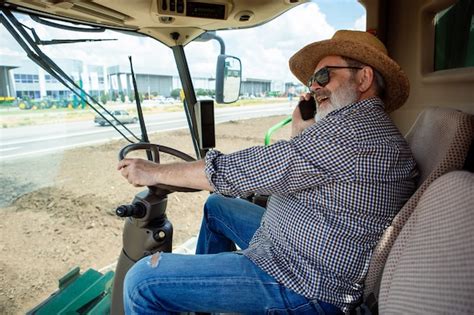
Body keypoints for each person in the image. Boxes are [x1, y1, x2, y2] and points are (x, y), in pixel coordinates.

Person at [118, 30, 418, 314]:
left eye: (324, 75)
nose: (314, 86)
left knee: (140, 282)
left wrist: (154, 172)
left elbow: (248, 169)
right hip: (297, 242)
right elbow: (304, 169)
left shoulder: (350, 132)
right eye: (313, 79)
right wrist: (301, 133)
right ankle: (202, 302)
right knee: (216, 206)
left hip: (302, 282)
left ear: (364, 78)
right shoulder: (361, 131)